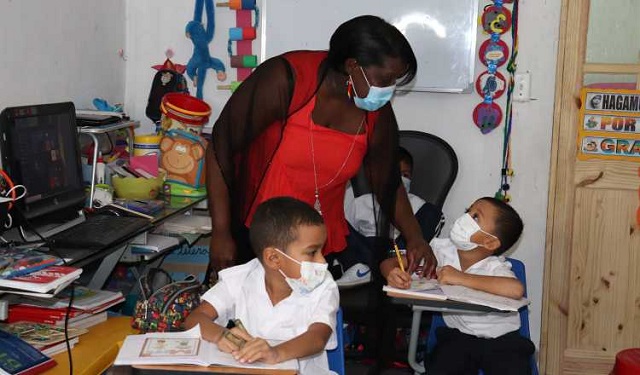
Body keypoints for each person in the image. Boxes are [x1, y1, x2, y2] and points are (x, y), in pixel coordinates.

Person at [205, 15, 436, 280]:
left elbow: (387, 181)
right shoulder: (286, 79)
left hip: (318, 240)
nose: (390, 89)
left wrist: (415, 236)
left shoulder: (374, 109)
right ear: (352, 66)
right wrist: (221, 231)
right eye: (386, 79)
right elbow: (220, 149)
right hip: (259, 234)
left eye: (396, 80)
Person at [184, 197, 339, 374]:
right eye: (312, 252)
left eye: (321, 251)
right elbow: (195, 319)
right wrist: (221, 336)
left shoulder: (323, 285)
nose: (322, 260)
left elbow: (318, 337)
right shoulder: (240, 278)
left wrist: (274, 354)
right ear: (273, 258)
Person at [381, 197, 535, 375]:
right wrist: (392, 273)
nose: (466, 218)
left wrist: (460, 278)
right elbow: (389, 263)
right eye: (468, 211)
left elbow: (515, 289)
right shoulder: (440, 250)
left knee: (513, 368)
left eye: (476, 217)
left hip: (502, 341)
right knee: (442, 365)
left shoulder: (495, 266)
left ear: (490, 242)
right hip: (458, 337)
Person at [338, 146, 442, 287]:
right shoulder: (360, 202)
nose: (400, 180)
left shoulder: (419, 204)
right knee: (337, 222)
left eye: (405, 175)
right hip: (365, 252)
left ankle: (376, 268)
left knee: (432, 212)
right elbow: (347, 238)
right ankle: (366, 269)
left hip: (397, 253)